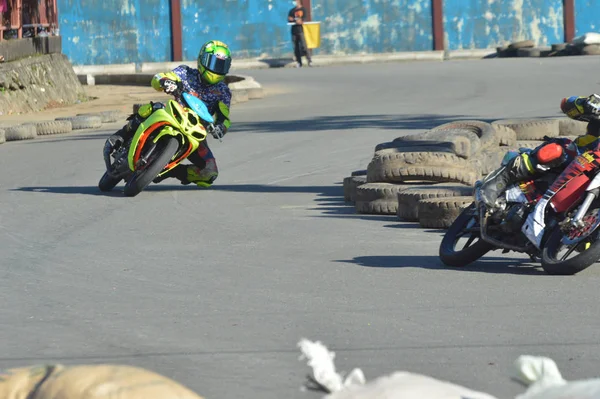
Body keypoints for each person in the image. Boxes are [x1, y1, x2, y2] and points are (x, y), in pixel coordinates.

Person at [105, 40, 233, 187]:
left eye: (221, 66)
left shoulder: (223, 92)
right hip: (173, 113)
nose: (216, 70)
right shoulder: (185, 73)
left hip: (194, 131)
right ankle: (122, 134)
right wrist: (165, 81)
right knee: (152, 108)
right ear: (202, 60)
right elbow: (160, 77)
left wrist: (221, 127)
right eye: (213, 63)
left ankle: (169, 170)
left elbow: (224, 116)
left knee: (210, 172)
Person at [478, 94, 600, 208]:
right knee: (559, 150)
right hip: (580, 158)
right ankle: (502, 178)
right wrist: (587, 104)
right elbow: (567, 104)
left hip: (591, 179)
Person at [288, 0, 312, 68]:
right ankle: (299, 62)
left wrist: (300, 21)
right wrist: (295, 20)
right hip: (294, 31)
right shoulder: (292, 10)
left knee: (304, 46)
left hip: (301, 30)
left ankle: (309, 60)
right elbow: (289, 18)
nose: (295, 1)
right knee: (296, 48)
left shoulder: (303, 9)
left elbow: (303, 19)